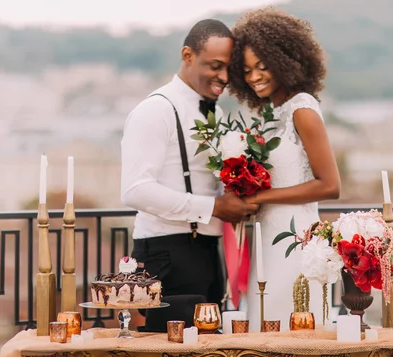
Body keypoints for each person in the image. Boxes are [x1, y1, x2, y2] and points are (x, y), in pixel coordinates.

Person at [121, 19, 259, 307]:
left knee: (210, 348)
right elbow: (135, 190)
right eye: (215, 65)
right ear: (188, 56)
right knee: (171, 349)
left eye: (228, 68)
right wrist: (215, 208)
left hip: (208, 250)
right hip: (166, 253)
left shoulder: (217, 114)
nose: (224, 76)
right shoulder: (155, 110)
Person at [228, 8, 341, 331]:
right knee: (264, 324)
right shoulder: (270, 113)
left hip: (297, 241)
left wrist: (263, 195)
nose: (254, 77)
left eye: (262, 67)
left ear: (285, 60)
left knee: (292, 326)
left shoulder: (302, 110)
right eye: (247, 70)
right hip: (265, 239)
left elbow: (330, 185)